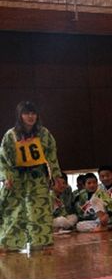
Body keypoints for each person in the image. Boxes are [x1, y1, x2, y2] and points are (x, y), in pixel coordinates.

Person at [0, 101, 62, 252]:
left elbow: (52, 155)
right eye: (27, 113)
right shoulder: (11, 135)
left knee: (39, 209)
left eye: (33, 113)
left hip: (37, 176)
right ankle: (8, 243)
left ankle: (41, 242)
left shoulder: (44, 133)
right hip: (16, 178)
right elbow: (3, 158)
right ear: (20, 116)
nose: (30, 116)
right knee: (14, 209)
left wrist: (56, 176)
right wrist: (6, 177)